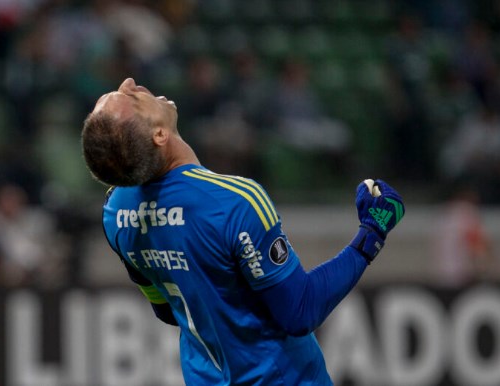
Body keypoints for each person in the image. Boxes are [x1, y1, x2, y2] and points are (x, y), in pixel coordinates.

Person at [81, 78, 405, 385]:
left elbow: (166, 310)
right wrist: (371, 234)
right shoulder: (233, 202)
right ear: (159, 135)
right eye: (130, 98)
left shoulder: (116, 212)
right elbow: (300, 311)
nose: (129, 83)